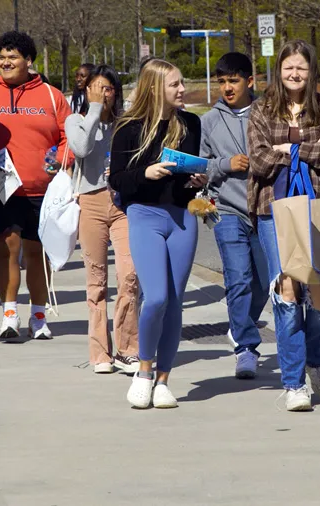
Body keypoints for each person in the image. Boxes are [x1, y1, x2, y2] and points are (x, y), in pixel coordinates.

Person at [246, 40, 320, 412]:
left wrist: (288, 148)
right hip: (274, 208)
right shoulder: (261, 110)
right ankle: (293, 383)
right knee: (288, 288)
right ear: (279, 69)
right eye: (289, 66)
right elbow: (258, 161)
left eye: (301, 68)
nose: (294, 73)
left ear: (310, 71)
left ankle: (315, 360)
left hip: (316, 206)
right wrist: (308, 144)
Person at [109, 59, 206, 409]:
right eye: (175, 85)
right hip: (144, 215)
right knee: (156, 297)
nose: (182, 90)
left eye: (181, 84)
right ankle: (144, 371)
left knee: (176, 301)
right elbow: (117, 179)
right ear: (155, 88)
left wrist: (196, 181)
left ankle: (164, 378)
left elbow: (186, 179)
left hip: (181, 216)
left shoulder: (190, 124)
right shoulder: (130, 128)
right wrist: (146, 173)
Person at [0, 31, 71, 341]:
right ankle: (9, 316)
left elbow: (67, 137)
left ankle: (38, 316)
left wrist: (59, 159)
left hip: (41, 190)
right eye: (1, 57)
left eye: (13, 57)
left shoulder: (51, 95)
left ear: (28, 61)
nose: (6, 62)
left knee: (36, 254)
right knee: (6, 252)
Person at [64, 64, 139, 374]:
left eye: (108, 89)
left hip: (122, 203)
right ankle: (100, 353)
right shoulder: (76, 121)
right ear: (86, 90)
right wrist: (94, 108)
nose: (103, 94)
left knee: (129, 276)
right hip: (91, 202)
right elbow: (80, 148)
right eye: (96, 88)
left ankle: (128, 349)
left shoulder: (126, 124)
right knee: (96, 281)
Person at [200, 52, 268, 379]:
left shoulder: (267, 113)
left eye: (234, 81)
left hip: (265, 211)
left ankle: (241, 323)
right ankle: (246, 347)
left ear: (249, 82)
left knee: (264, 283)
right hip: (226, 211)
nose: (227, 87)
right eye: (223, 81)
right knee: (238, 278)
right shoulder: (208, 121)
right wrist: (226, 164)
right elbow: (199, 167)